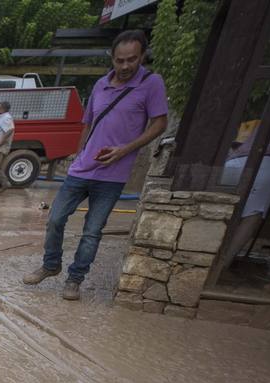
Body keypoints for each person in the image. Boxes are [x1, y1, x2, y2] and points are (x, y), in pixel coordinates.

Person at [24, 29, 167, 300]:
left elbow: (160, 124)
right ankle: (51, 265)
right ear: (112, 58)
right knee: (55, 219)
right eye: (120, 60)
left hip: (113, 175)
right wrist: (79, 154)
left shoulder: (152, 84)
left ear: (142, 57)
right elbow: (87, 123)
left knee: (92, 231)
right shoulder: (101, 85)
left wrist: (125, 149)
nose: (125, 66)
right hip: (82, 169)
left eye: (131, 60)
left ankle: (75, 279)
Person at [217, 97, 270, 273]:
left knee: (223, 212)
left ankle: (205, 258)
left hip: (234, 161)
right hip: (266, 163)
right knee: (251, 218)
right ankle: (221, 266)